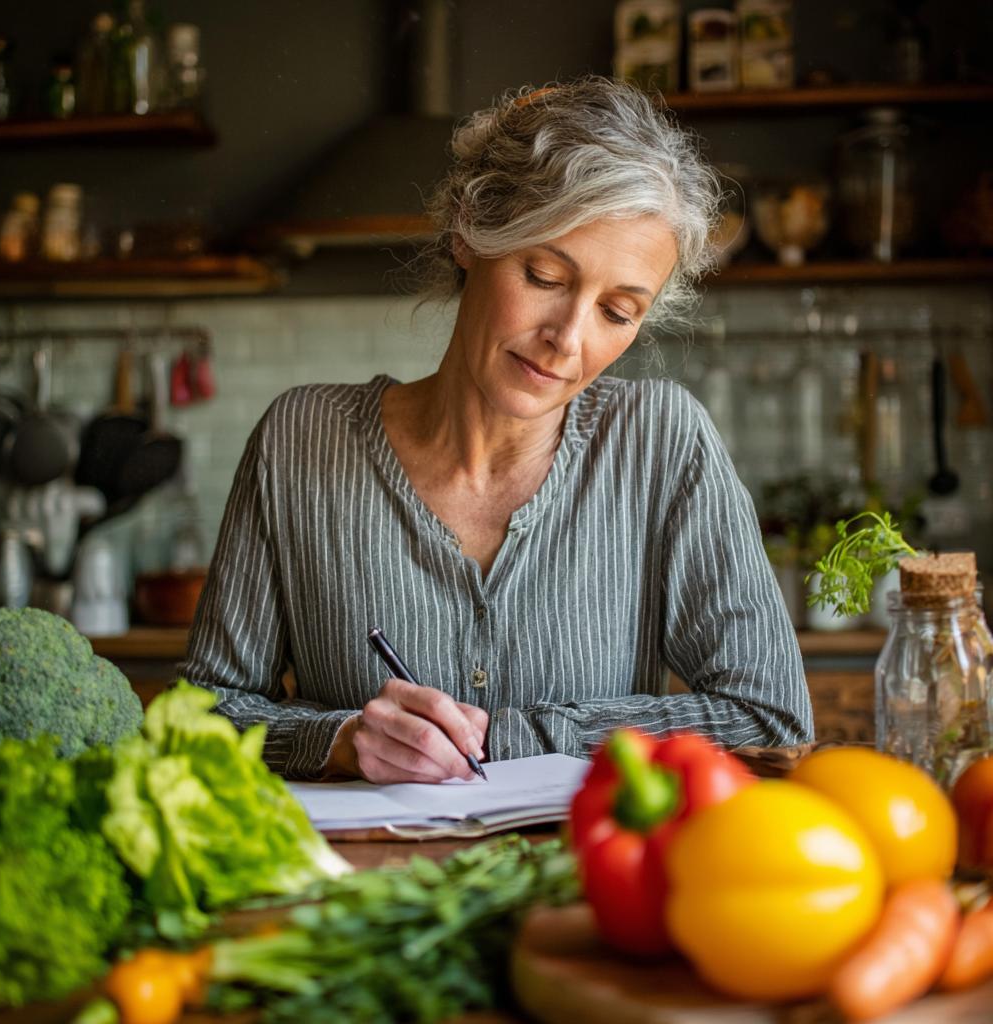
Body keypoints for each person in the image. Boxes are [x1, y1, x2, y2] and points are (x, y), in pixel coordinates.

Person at [181, 77, 812, 784]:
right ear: (468, 233)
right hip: (364, 886)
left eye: (618, 311)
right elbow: (200, 718)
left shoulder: (662, 442)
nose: (567, 340)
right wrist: (342, 739)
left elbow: (770, 718)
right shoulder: (300, 440)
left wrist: (517, 736)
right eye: (544, 276)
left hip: (584, 887)